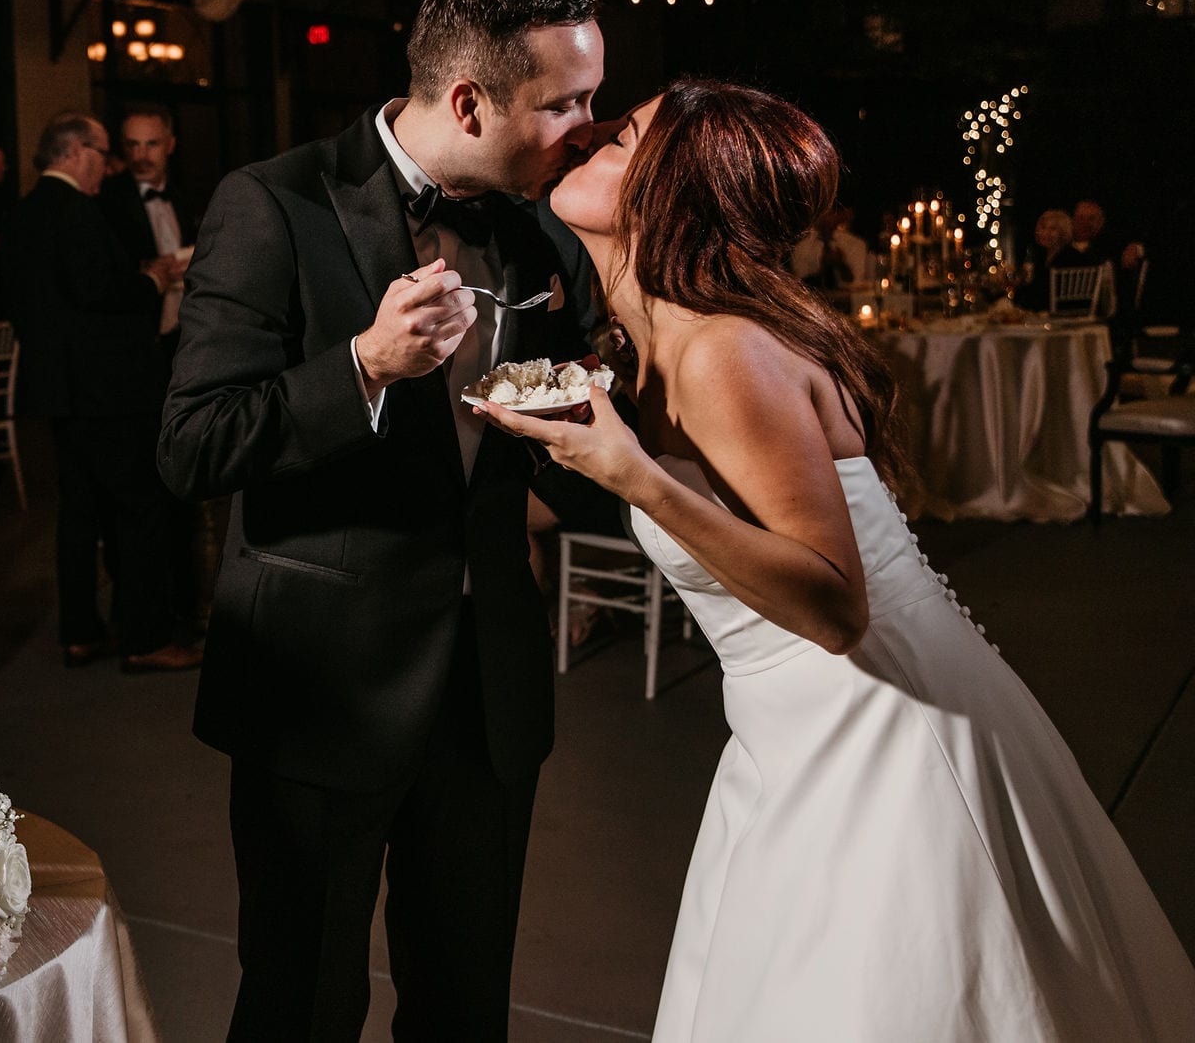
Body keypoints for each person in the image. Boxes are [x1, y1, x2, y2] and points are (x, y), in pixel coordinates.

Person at [477, 79, 1195, 1042]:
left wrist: (636, 477)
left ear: (674, 190)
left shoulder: (724, 353)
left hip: (875, 725)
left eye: (622, 134)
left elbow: (836, 607)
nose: (590, 135)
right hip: (785, 730)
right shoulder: (653, 348)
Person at [159, 0, 610, 1040]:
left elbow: (554, 427)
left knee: (464, 1009)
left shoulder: (540, 229)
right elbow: (192, 445)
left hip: (487, 688)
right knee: (301, 1006)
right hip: (321, 686)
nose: (586, 129)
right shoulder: (272, 201)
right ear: (470, 102)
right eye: (563, 103)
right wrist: (360, 365)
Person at [10, 111, 198, 674]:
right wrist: (151, 280)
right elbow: (98, 293)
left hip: (59, 389)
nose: (110, 164)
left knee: (78, 512)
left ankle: (80, 632)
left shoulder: (25, 212)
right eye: (102, 152)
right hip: (108, 389)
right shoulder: (77, 210)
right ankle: (145, 639)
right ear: (75, 152)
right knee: (138, 509)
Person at [100, 108, 197, 347]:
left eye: (151, 144)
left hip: (184, 331)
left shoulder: (182, 196)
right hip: (135, 336)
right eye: (132, 144)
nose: (140, 156)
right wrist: (148, 268)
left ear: (170, 145)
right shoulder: (105, 198)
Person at [789, 207, 871, 288]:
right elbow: (800, 282)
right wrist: (823, 266)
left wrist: (840, 263)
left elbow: (855, 282)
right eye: (824, 214)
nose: (827, 219)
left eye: (831, 213)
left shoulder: (854, 244)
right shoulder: (802, 247)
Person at [1015, 208, 1074, 311]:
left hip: (1060, 310)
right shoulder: (1040, 256)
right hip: (1039, 309)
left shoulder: (1070, 257)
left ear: (1063, 232)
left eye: (1053, 229)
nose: (1046, 233)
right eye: (1043, 228)